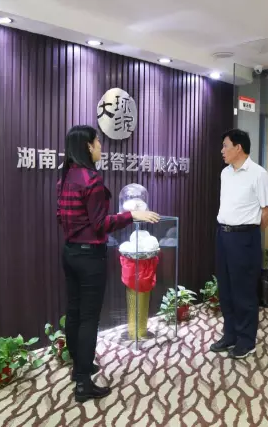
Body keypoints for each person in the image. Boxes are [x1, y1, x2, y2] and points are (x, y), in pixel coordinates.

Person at [57, 125, 160, 403]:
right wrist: (133, 216)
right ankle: (83, 383)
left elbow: (60, 216)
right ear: (88, 147)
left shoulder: (65, 177)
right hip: (90, 257)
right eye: (98, 142)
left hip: (70, 253)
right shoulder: (91, 179)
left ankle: (79, 367)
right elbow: (101, 224)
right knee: (88, 318)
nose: (101, 147)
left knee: (75, 312)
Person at [210, 129, 268, 359]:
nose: (222, 150)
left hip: (245, 237)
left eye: (225, 146)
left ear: (238, 148)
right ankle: (230, 335)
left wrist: (250, 233)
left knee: (244, 290)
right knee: (226, 288)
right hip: (223, 235)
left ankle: (247, 340)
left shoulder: (259, 175)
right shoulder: (225, 173)